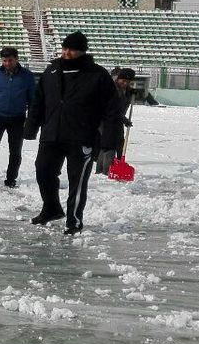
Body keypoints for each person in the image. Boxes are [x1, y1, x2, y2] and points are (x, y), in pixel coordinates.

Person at [23, 31, 124, 235]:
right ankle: (51, 208)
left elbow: (112, 110)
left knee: (77, 181)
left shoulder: (97, 75)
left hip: (82, 137)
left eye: (72, 49)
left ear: (82, 51)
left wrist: (108, 139)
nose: (67, 52)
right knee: (43, 171)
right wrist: (31, 127)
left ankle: (74, 220)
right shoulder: (51, 71)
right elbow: (38, 102)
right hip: (51, 134)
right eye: (65, 48)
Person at [0, 46, 36, 187]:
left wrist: (30, 118)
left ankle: (11, 180)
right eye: (4, 61)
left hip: (18, 118)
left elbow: (33, 99)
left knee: (15, 151)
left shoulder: (27, 76)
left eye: (10, 60)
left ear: (16, 59)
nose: (7, 64)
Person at [97, 68, 137, 175]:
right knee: (109, 145)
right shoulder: (111, 89)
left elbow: (122, 103)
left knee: (119, 143)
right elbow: (112, 109)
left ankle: (113, 167)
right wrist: (124, 120)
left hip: (116, 119)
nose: (125, 83)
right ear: (118, 79)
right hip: (105, 120)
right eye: (123, 81)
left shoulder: (125, 89)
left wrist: (131, 92)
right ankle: (106, 172)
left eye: (128, 82)